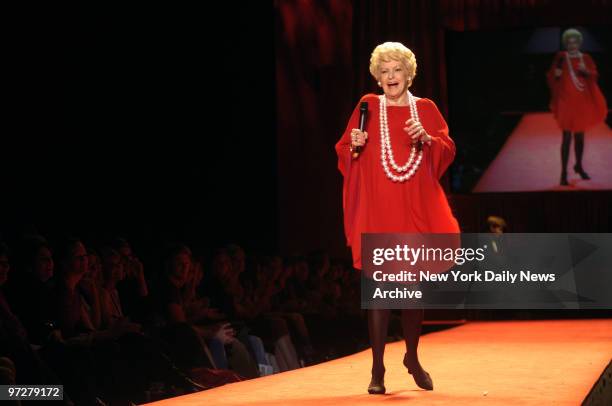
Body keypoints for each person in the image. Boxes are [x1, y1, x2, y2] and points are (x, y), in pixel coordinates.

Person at [335, 41, 460, 394]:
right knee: (379, 291)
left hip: (413, 209)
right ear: (377, 77)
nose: (391, 76)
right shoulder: (367, 106)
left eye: (397, 70)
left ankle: (412, 357)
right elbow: (344, 152)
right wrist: (354, 144)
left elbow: (447, 148)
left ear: (409, 73)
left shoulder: (426, 109)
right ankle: (377, 370)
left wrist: (429, 141)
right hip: (378, 208)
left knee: (409, 292)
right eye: (384, 71)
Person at [546, 28, 607, 186]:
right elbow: (552, 76)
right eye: (569, 42)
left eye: (575, 42)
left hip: (581, 100)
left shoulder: (585, 57)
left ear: (579, 43)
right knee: (566, 136)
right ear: (566, 43)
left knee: (579, 135)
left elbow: (594, 75)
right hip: (566, 100)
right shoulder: (561, 57)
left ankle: (578, 166)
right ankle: (563, 173)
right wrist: (556, 73)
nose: (572, 45)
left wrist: (585, 71)